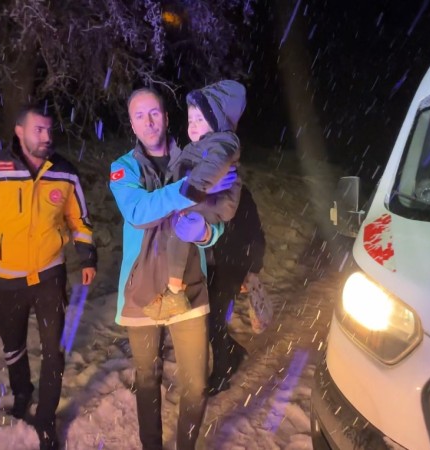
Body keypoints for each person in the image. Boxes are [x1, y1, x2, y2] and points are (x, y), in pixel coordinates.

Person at [0, 103, 97, 450]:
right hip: (8, 279)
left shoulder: (65, 172)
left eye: (49, 129)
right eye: (38, 130)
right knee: (13, 345)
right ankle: (22, 392)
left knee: (54, 350)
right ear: (19, 131)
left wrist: (87, 256)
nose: (46, 136)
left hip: (50, 275)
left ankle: (46, 420)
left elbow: (79, 219)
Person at [109, 87, 236, 450]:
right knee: (147, 377)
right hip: (142, 290)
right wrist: (192, 187)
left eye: (154, 113)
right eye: (139, 115)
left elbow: (215, 217)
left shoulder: (200, 156)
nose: (148, 122)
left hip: (190, 287)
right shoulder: (123, 168)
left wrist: (207, 233)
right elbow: (138, 211)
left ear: (166, 118)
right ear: (131, 123)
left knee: (196, 384)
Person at [157, 80, 246, 318]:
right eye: (190, 120)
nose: (193, 125)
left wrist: (194, 187)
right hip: (206, 198)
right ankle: (175, 289)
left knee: (180, 229)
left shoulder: (223, 142)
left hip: (216, 200)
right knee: (179, 230)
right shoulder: (199, 145)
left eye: (200, 119)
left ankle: (175, 290)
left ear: (217, 121)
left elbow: (215, 164)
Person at [206, 185, 266, 395]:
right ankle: (233, 351)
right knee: (207, 321)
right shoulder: (199, 187)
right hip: (203, 267)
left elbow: (255, 235)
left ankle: (221, 375)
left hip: (229, 268)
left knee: (215, 321)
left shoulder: (240, 194)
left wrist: (252, 270)